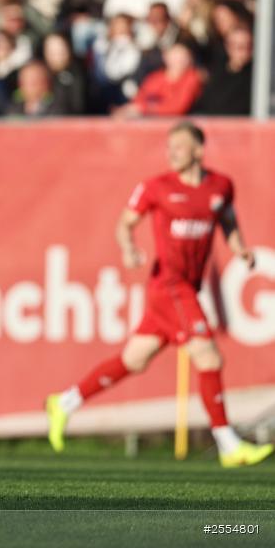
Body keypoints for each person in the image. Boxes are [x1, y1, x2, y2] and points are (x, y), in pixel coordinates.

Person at [46, 122, 273, 469]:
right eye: (169, 147)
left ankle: (64, 402)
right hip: (169, 285)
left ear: (198, 149)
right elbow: (125, 223)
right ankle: (229, 445)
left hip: (185, 288)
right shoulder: (157, 187)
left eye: (179, 146)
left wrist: (240, 248)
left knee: (134, 359)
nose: (172, 152)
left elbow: (227, 218)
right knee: (209, 358)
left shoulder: (220, 186)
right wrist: (128, 248)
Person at [114, 41, 202, 118]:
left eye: (182, 56)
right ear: (166, 57)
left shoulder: (192, 78)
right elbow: (139, 99)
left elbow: (178, 107)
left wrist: (145, 108)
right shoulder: (155, 78)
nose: (178, 60)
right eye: (175, 55)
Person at [193, 27, 252, 116]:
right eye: (239, 47)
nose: (245, 52)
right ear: (228, 47)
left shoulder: (256, 77)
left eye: (249, 46)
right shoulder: (216, 72)